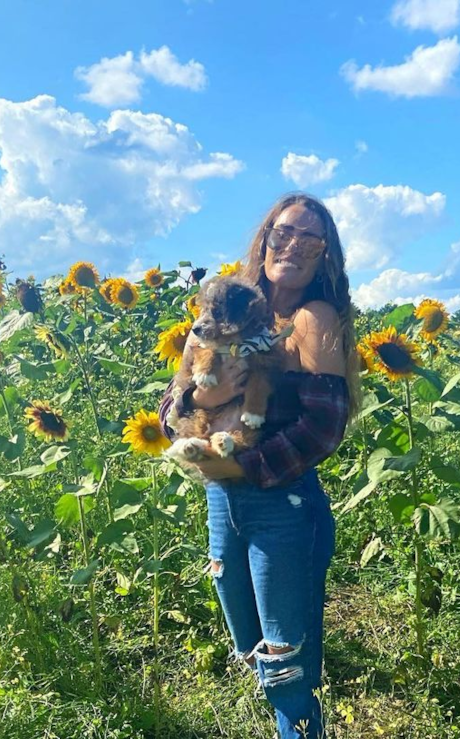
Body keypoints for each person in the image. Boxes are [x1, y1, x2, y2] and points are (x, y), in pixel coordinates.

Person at [158, 193, 361, 739]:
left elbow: (324, 426)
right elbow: (169, 405)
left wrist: (245, 470)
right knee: (252, 648)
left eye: (310, 239)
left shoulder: (312, 319)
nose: (293, 246)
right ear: (265, 238)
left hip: (284, 508)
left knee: (286, 667)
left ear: (325, 257)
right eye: (283, 232)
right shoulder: (221, 309)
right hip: (223, 506)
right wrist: (202, 400)